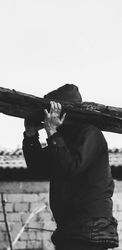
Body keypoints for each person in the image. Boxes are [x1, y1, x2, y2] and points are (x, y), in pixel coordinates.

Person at [22, 84, 118, 250]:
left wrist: (52, 131)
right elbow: (37, 169)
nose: (48, 117)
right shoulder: (61, 139)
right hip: (70, 229)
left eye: (51, 112)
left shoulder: (90, 133)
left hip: (90, 230)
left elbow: (70, 167)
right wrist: (30, 135)